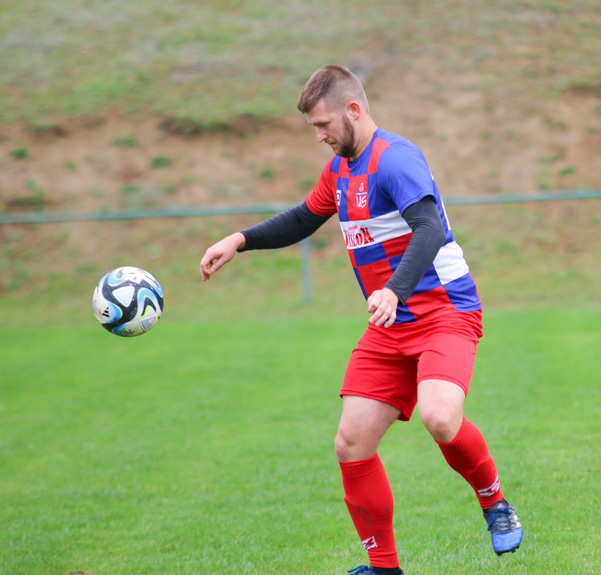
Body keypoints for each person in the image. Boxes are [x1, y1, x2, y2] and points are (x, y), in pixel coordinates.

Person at [199, 66, 522, 575]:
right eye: (313, 128)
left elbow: (429, 229)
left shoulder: (396, 160)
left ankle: (494, 501)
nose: (320, 135)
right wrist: (238, 240)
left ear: (354, 110)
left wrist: (393, 290)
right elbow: (304, 219)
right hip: (389, 323)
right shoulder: (340, 171)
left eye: (324, 124)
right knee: (351, 442)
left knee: (441, 418)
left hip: (444, 313)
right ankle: (386, 569)